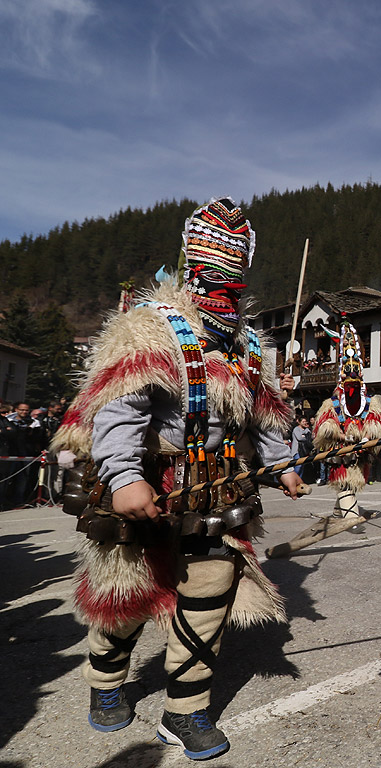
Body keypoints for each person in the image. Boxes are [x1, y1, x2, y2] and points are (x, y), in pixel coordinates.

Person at [50, 198, 303, 760]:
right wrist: (123, 477)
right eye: (212, 273)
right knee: (128, 599)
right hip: (146, 487)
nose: (222, 286)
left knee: (210, 592)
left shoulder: (249, 346)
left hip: (217, 494)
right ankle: (107, 684)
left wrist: (283, 464)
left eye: (231, 276)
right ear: (192, 263)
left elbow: (263, 416)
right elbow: (119, 409)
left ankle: (184, 712)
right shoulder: (149, 329)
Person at [311, 319, 381, 525]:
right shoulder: (331, 403)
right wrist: (345, 436)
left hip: (360, 454)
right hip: (342, 454)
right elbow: (325, 429)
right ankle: (350, 517)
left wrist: (367, 438)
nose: (352, 379)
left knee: (352, 485)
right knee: (345, 484)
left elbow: (376, 424)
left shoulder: (371, 403)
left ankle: (338, 511)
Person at [7, 401, 44, 505]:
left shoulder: (34, 422)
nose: (24, 412)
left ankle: (18, 500)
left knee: (23, 478)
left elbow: (37, 437)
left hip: (26, 453)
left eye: (26, 410)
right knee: (8, 477)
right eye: (21, 410)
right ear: (16, 410)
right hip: (10, 453)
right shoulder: (8, 420)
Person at [291, 416, 313, 484]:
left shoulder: (307, 430)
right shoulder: (296, 429)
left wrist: (305, 435)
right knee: (298, 466)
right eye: (303, 422)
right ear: (299, 422)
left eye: (305, 421)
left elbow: (310, 437)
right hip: (297, 450)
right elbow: (300, 438)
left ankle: (299, 481)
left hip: (304, 451)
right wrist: (305, 436)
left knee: (302, 466)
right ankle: (293, 480)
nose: (305, 423)